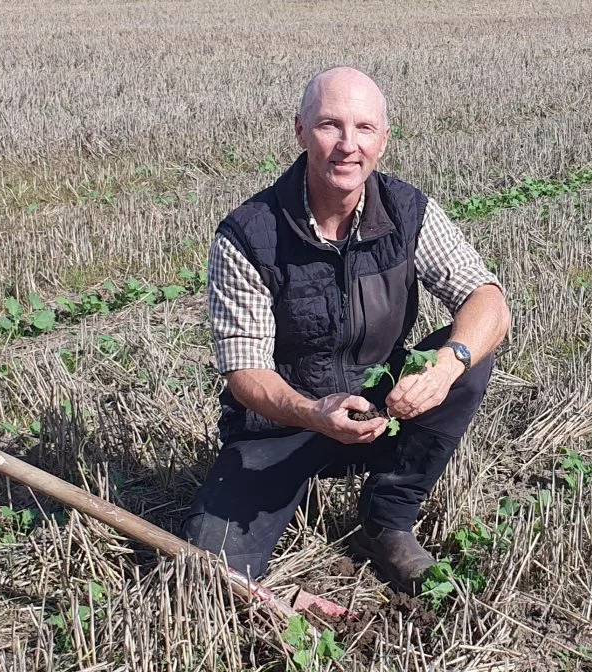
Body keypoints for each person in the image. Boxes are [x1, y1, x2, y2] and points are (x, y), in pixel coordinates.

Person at [182, 66, 511, 594]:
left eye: (364, 129)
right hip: (282, 424)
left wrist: (447, 366)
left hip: (380, 410)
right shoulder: (248, 235)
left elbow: (488, 301)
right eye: (330, 125)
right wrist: (313, 413)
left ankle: (386, 522)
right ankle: (290, 493)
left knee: (469, 359)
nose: (347, 146)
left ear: (384, 138)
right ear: (300, 130)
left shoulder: (408, 212)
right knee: (210, 578)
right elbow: (245, 373)